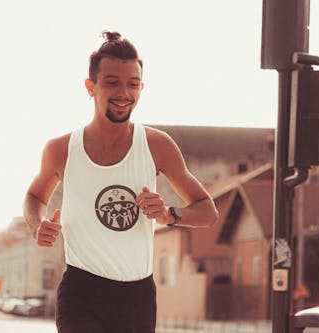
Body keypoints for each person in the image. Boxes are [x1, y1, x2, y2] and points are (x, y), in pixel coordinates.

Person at [23, 31, 219, 333]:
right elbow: (35, 196)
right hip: (81, 290)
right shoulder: (61, 149)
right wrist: (38, 224)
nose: (123, 93)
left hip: (136, 296)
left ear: (142, 87)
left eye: (133, 84)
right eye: (112, 82)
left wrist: (169, 214)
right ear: (91, 87)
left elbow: (207, 211)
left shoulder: (157, 145)